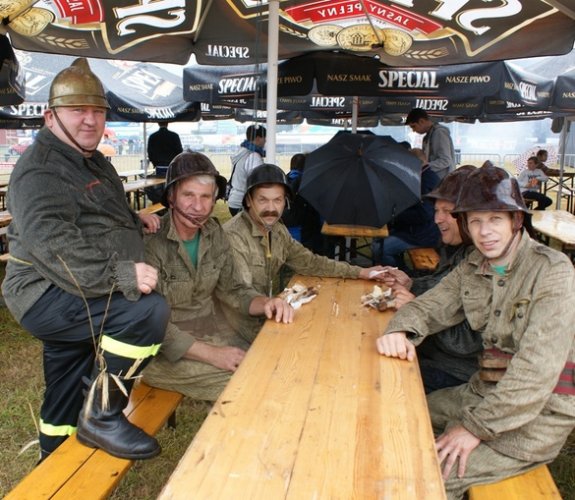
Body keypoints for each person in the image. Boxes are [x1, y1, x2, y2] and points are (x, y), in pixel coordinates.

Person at [1, 58, 169, 462]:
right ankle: (103, 417)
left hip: (68, 287)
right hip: (45, 291)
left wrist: (134, 219)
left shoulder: (90, 159)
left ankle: (52, 458)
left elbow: (97, 207)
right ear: (51, 117)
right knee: (146, 311)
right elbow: (53, 242)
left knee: (65, 379)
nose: (90, 120)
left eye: (97, 110)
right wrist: (121, 274)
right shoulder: (41, 171)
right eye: (78, 110)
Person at [375, 164, 575, 499]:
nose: (485, 232)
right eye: (476, 221)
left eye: (495, 219)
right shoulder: (473, 265)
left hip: (534, 418)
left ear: (516, 220)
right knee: (394, 416)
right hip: (479, 393)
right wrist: (400, 330)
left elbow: (536, 372)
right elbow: (428, 306)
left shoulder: (553, 272)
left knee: (424, 474)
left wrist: (473, 428)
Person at [142, 152, 293, 400]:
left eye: (206, 197)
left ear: (214, 200)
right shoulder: (150, 241)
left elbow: (233, 289)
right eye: (188, 195)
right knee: (253, 380)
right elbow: (148, 323)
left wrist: (267, 303)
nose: (198, 207)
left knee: (275, 359)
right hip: (160, 353)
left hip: (210, 333)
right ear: (171, 197)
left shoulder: (213, 232)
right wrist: (212, 354)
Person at [223, 164, 388, 343]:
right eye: (263, 200)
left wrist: (361, 272)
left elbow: (310, 262)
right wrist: (268, 304)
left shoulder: (277, 230)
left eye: (277, 200)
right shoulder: (233, 237)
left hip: (269, 317)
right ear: (248, 200)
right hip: (237, 332)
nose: (271, 208)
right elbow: (239, 294)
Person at [380, 166, 483, 393]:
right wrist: (411, 284)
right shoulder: (458, 249)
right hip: (437, 354)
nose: (437, 219)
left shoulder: (486, 262)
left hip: (460, 371)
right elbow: (442, 287)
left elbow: (466, 343)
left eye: (447, 211)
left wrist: (414, 306)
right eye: (436, 210)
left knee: (382, 377)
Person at [372, 157, 441, 269]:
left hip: (423, 235)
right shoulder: (424, 177)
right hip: (418, 231)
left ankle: (401, 273)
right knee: (379, 241)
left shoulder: (426, 181)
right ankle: (399, 268)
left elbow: (424, 214)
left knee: (382, 248)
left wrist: (396, 215)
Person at [227, 124, 266, 216]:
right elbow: (257, 181)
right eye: (264, 138)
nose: (265, 141)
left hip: (234, 200)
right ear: (258, 138)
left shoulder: (242, 152)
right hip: (244, 203)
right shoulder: (254, 156)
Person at [405, 108, 456, 180]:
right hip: (436, 179)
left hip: (442, 181)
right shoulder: (429, 135)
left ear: (421, 121)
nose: (413, 130)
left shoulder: (439, 132)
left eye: (413, 126)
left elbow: (445, 160)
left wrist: (423, 167)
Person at [145, 121, 183, 204]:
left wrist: (155, 163)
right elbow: (180, 151)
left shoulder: (153, 136)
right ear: (167, 123)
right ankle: (171, 202)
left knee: (159, 187)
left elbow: (150, 152)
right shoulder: (174, 136)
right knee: (171, 185)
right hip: (172, 165)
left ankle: (159, 202)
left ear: (158, 123)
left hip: (159, 165)